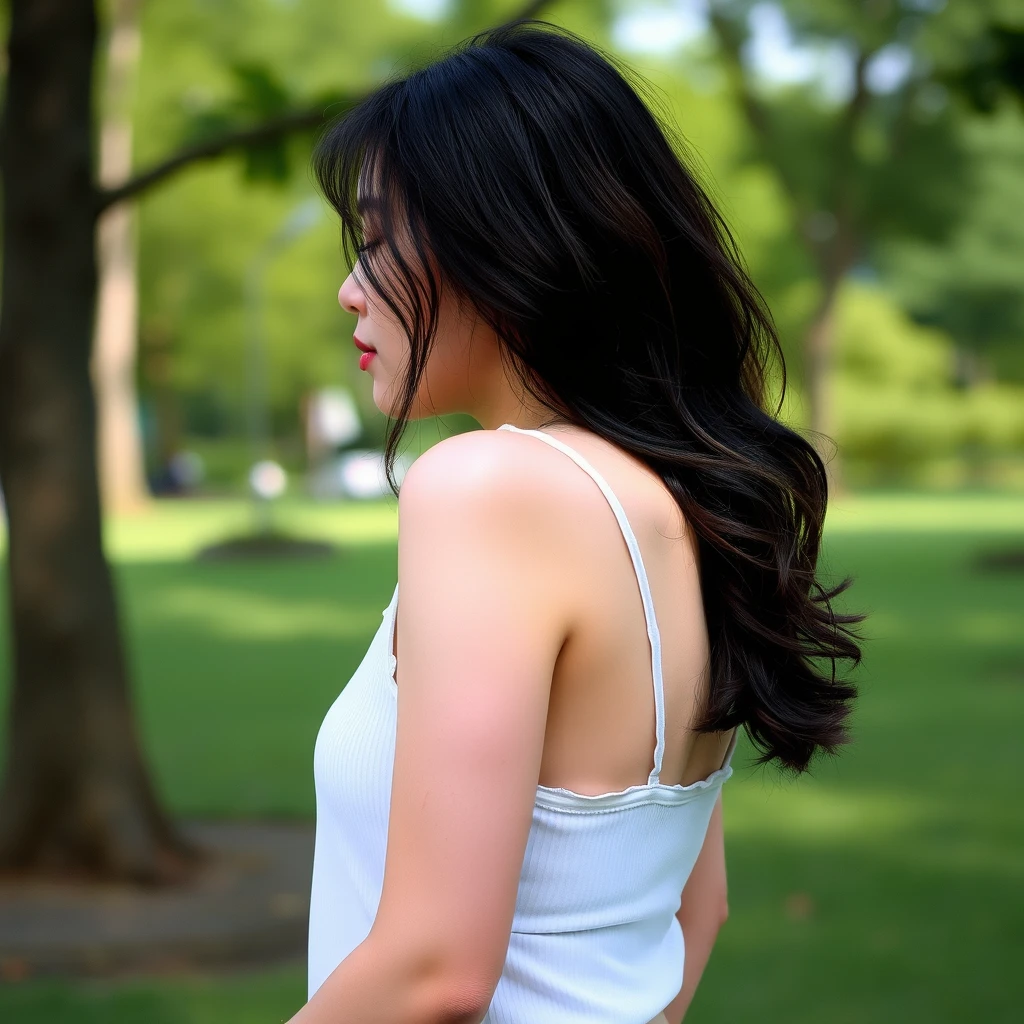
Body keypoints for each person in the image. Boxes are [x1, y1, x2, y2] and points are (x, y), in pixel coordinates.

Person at [294, 19, 862, 1024]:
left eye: (377, 240)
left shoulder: (487, 489)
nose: (349, 289)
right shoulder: (686, 502)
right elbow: (699, 908)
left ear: (504, 236)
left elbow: (435, 967)